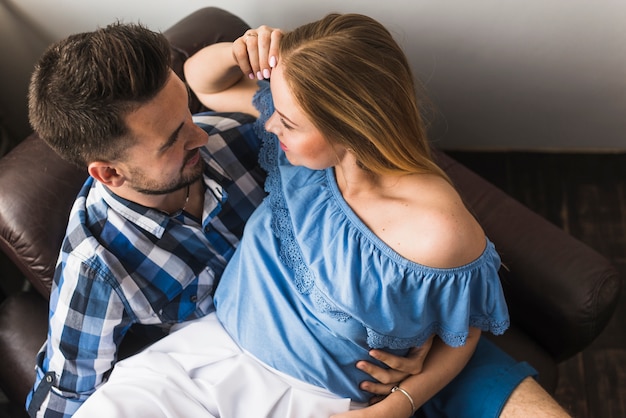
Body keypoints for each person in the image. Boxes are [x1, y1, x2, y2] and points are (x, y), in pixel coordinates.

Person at [73, 12, 571, 418]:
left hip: (308, 397)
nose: (267, 122)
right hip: (196, 355)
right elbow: (204, 82)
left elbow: (465, 331)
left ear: (349, 126)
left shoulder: (437, 230)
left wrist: (401, 403)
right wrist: (243, 50)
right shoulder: (304, 156)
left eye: (285, 119)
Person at [24, 9, 425, 418]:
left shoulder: (242, 140)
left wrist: (419, 343)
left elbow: (387, 208)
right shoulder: (95, 268)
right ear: (109, 173)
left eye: (186, 113)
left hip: (334, 367)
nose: (201, 133)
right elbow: (60, 402)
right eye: (173, 140)